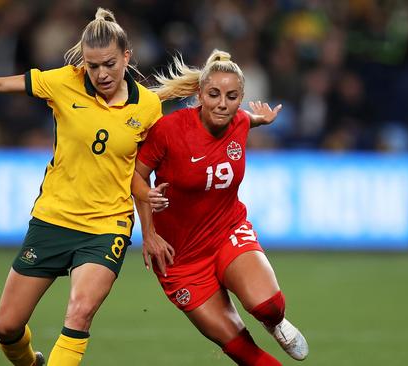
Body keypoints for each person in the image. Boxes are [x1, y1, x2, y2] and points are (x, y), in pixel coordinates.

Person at [0, 8, 162, 366]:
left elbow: (141, 176)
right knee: (6, 327)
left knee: (79, 313)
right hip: (53, 219)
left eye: (109, 64)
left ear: (127, 57)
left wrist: (151, 231)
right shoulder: (63, 81)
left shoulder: (148, 106)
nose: (101, 74)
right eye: (92, 65)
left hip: (106, 225)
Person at [131, 50, 309, 365]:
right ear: (200, 94)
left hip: (227, 233)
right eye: (213, 94)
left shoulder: (239, 120)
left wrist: (262, 120)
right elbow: (136, 175)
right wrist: (149, 233)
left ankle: (276, 323)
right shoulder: (170, 130)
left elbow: (246, 120)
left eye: (231, 96)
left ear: (241, 98)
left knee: (268, 305)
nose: (221, 104)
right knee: (244, 352)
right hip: (180, 259)